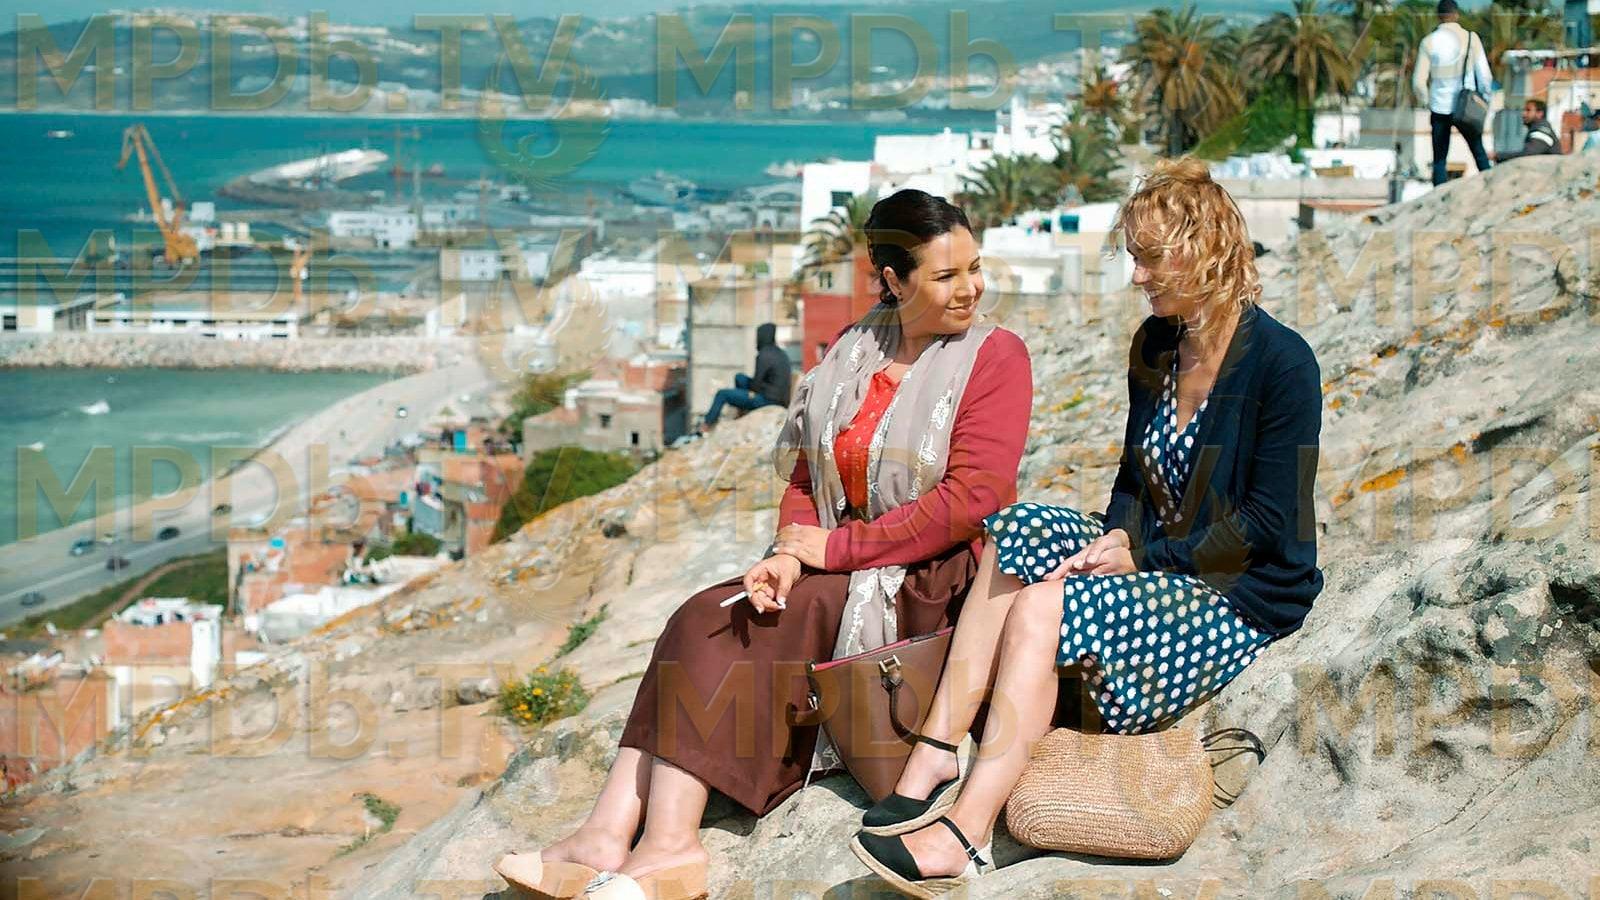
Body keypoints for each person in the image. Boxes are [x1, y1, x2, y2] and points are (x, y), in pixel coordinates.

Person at [493, 188, 1033, 900]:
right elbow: (808, 473)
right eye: (947, 275)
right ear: (894, 280)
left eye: (974, 268)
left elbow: (972, 501)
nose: (971, 289)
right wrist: (786, 553)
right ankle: (608, 830)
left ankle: (668, 847)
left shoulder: (995, 357)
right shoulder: (854, 351)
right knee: (703, 613)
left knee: (727, 629)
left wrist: (830, 552)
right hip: (842, 562)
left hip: (930, 578)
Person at [849, 157, 1325, 896]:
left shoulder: (1283, 364)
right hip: (1159, 556)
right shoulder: (1157, 343)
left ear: (1204, 250)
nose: (1137, 276)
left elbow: (1266, 523)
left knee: (1045, 606)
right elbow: (1134, 478)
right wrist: (1120, 537)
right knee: (1017, 528)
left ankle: (964, 835)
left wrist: (1147, 557)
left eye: (1151, 258)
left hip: (1239, 590)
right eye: (1134, 257)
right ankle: (936, 750)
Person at [1413, 0, 1493, 185]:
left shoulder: (1428, 42)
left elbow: (1418, 82)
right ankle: (1491, 188)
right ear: (1456, 15)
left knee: (1439, 159)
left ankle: (1438, 194)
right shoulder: (1471, 38)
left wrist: (1427, 101)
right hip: (1465, 106)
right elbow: (1485, 76)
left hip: (1439, 106)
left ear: (1438, 16)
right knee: (1478, 152)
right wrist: (1485, 100)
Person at [697, 322, 791, 430]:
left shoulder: (764, 355)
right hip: (778, 398)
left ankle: (706, 425)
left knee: (722, 394)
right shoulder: (780, 353)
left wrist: (746, 393)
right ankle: (741, 411)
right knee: (739, 377)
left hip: (767, 401)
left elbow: (755, 386)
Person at [1493, 99, 1562, 162]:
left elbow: (1529, 154)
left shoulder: (1542, 131)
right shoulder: (1537, 128)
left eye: (1528, 110)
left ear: (1539, 113)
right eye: (1524, 110)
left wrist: (1499, 156)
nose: (1523, 114)